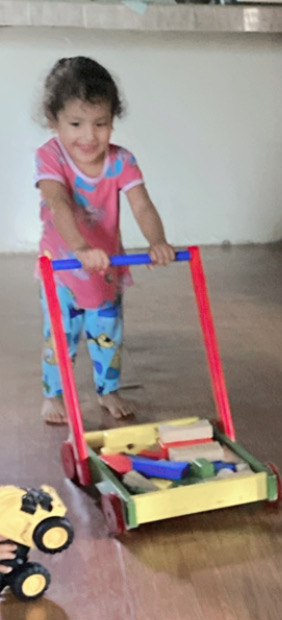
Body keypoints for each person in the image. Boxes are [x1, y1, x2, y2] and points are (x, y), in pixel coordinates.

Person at [35, 56, 175, 425]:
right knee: (61, 335)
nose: (89, 136)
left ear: (113, 120)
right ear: (53, 119)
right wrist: (79, 248)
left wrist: (157, 241)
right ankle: (54, 394)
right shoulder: (50, 157)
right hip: (63, 269)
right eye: (75, 124)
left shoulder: (121, 161)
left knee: (107, 333)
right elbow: (58, 202)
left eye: (100, 124)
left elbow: (142, 205)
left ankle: (108, 389)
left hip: (106, 268)